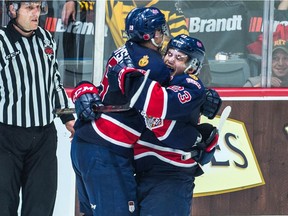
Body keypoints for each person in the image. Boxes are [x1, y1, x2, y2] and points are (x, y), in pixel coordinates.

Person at [0, 1, 75, 216]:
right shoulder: (1, 42)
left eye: (39, 7)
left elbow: (54, 83)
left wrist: (67, 117)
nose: (37, 14)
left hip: (43, 137)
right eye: (29, 8)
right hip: (6, 138)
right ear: (13, 10)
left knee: (41, 206)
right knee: (4, 204)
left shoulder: (45, 38)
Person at [132, 34, 220, 216]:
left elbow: (159, 115)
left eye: (179, 58)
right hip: (145, 172)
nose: (170, 60)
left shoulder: (190, 84)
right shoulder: (162, 78)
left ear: (193, 66)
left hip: (170, 175)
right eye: (169, 54)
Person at [61, 0, 212, 86]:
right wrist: (72, 2)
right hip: (129, 73)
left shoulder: (169, 7)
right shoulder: (114, 3)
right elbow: (91, 3)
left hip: (158, 75)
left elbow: (183, 48)